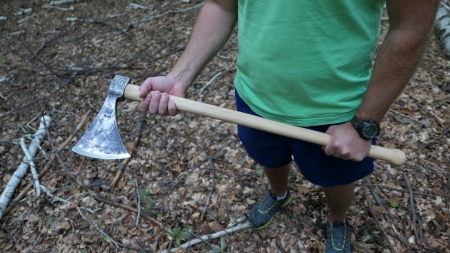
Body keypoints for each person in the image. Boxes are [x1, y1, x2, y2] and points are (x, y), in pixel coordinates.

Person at [138, 1, 438, 252]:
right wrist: (179, 77)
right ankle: (280, 195)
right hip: (254, 102)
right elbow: (221, 4)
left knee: (336, 178)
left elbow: (411, 27)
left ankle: (337, 220)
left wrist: (363, 125)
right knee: (270, 159)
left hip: (339, 115)